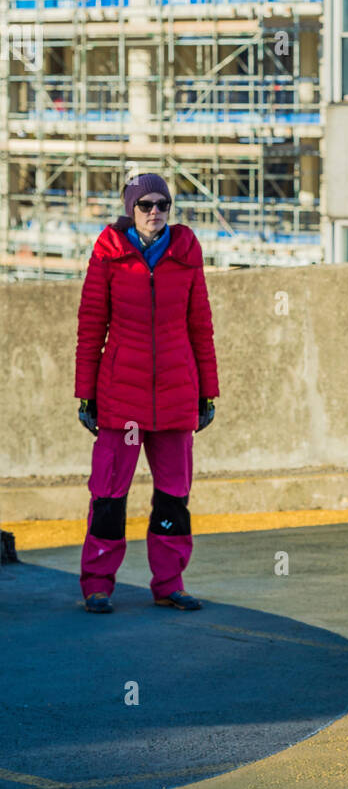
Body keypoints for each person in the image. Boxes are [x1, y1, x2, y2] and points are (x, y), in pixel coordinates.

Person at [74, 172, 219, 614]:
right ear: (130, 209)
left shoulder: (186, 252)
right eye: (145, 205)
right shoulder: (108, 254)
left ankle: (170, 583)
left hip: (177, 394)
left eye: (163, 204)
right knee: (109, 496)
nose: (155, 212)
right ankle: (98, 584)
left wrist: (208, 393)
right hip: (122, 398)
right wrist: (86, 395)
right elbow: (91, 325)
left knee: (174, 495)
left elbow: (201, 326)